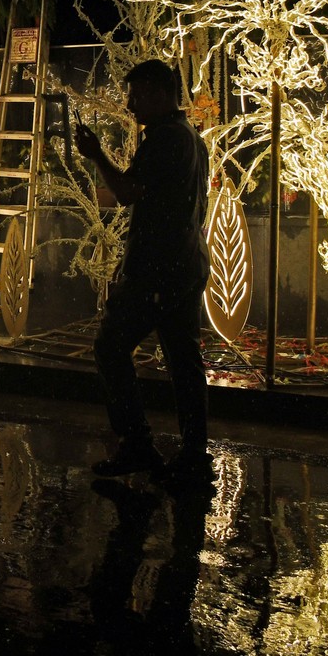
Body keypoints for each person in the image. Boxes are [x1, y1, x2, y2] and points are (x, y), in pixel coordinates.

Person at [73, 59, 213, 488]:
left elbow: (127, 192)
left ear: (157, 92)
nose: (130, 106)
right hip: (186, 264)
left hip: (159, 271)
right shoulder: (192, 137)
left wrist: (96, 154)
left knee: (111, 346)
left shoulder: (166, 139)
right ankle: (193, 454)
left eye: (135, 96)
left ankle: (137, 442)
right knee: (184, 360)